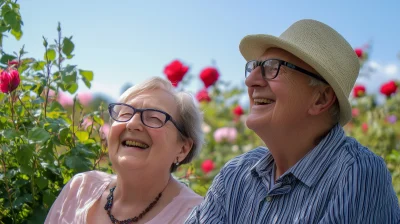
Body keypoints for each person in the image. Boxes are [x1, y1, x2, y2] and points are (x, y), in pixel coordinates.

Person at [185, 19, 400, 223]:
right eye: (254, 67)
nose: (250, 81)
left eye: (272, 67)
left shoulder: (356, 174)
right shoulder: (236, 174)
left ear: (321, 98)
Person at [45, 77, 204, 224]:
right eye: (125, 113)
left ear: (183, 148)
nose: (132, 123)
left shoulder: (197, 216)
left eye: (154, 117)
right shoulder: (80, 189)